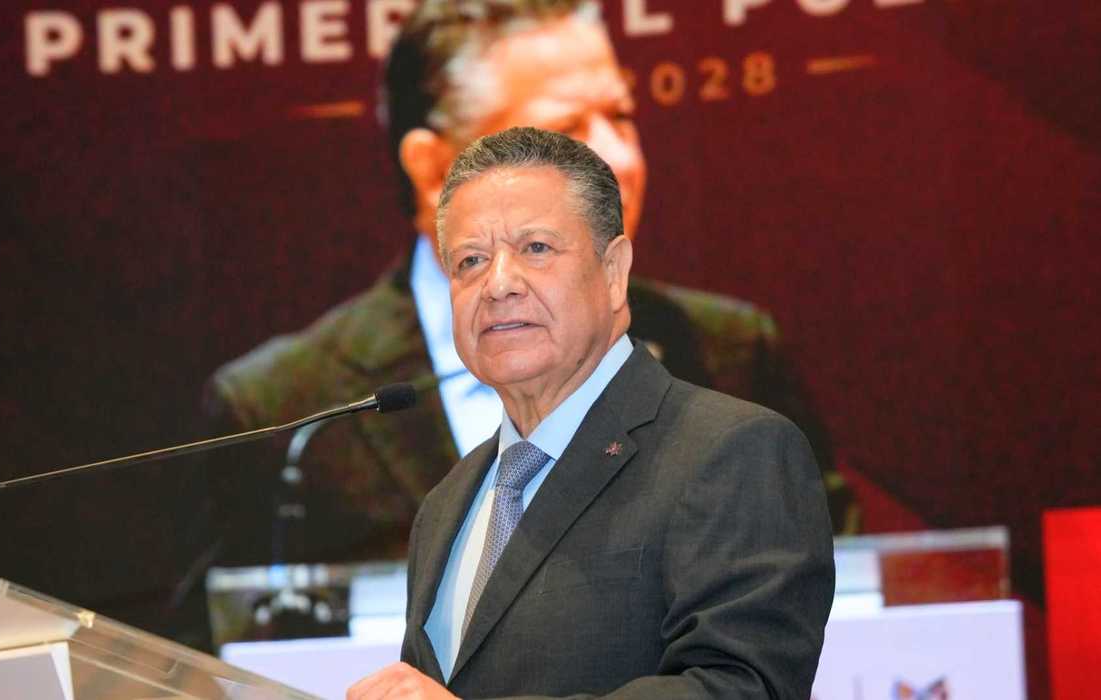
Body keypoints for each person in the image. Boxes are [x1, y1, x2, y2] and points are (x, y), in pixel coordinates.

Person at [199, 0, 852, 581]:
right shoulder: (287, 414)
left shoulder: (727, 356)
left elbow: (842, 591)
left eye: (620, 117)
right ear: (433, 171)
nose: (618, 159)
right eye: (562, 135)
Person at [347, 127, 834, 699]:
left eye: (536, 248)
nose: (498, 284)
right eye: (470, 261)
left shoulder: (732, 452)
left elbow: (741, 688)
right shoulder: (446, 504)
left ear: (613, 273)